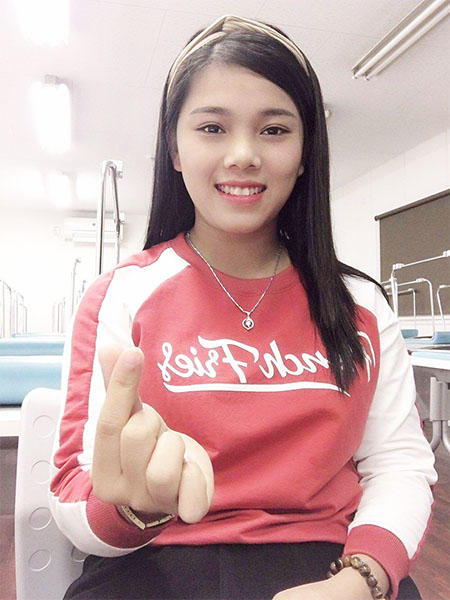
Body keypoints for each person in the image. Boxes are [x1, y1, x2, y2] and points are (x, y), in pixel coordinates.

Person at [49, 14, 437, 600]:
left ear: (305, 152)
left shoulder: (359, 304)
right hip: (156, 555)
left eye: (274, 130)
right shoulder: (121, 296)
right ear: (174, 149)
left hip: (331, 563)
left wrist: (365, 577)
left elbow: (400, 464)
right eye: (212, 127)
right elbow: (71, 489)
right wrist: (133, 506)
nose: (242, 155)